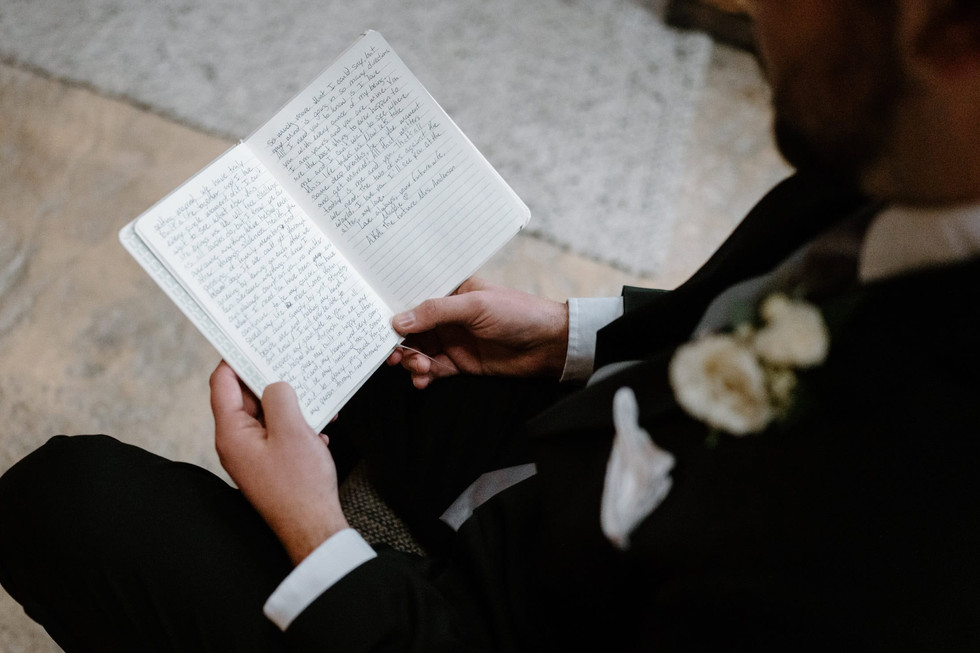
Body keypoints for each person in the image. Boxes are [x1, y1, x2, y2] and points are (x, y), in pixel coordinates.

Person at [3, 0, 980, 649]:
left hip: (507, 618)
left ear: (952, 35)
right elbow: (732, 313)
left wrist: (319, 537)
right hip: (579, 463)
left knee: (63, 500)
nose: (752, 10)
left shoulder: (901, 548)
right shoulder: (908, 163)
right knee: (361, 324)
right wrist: (564, 334)